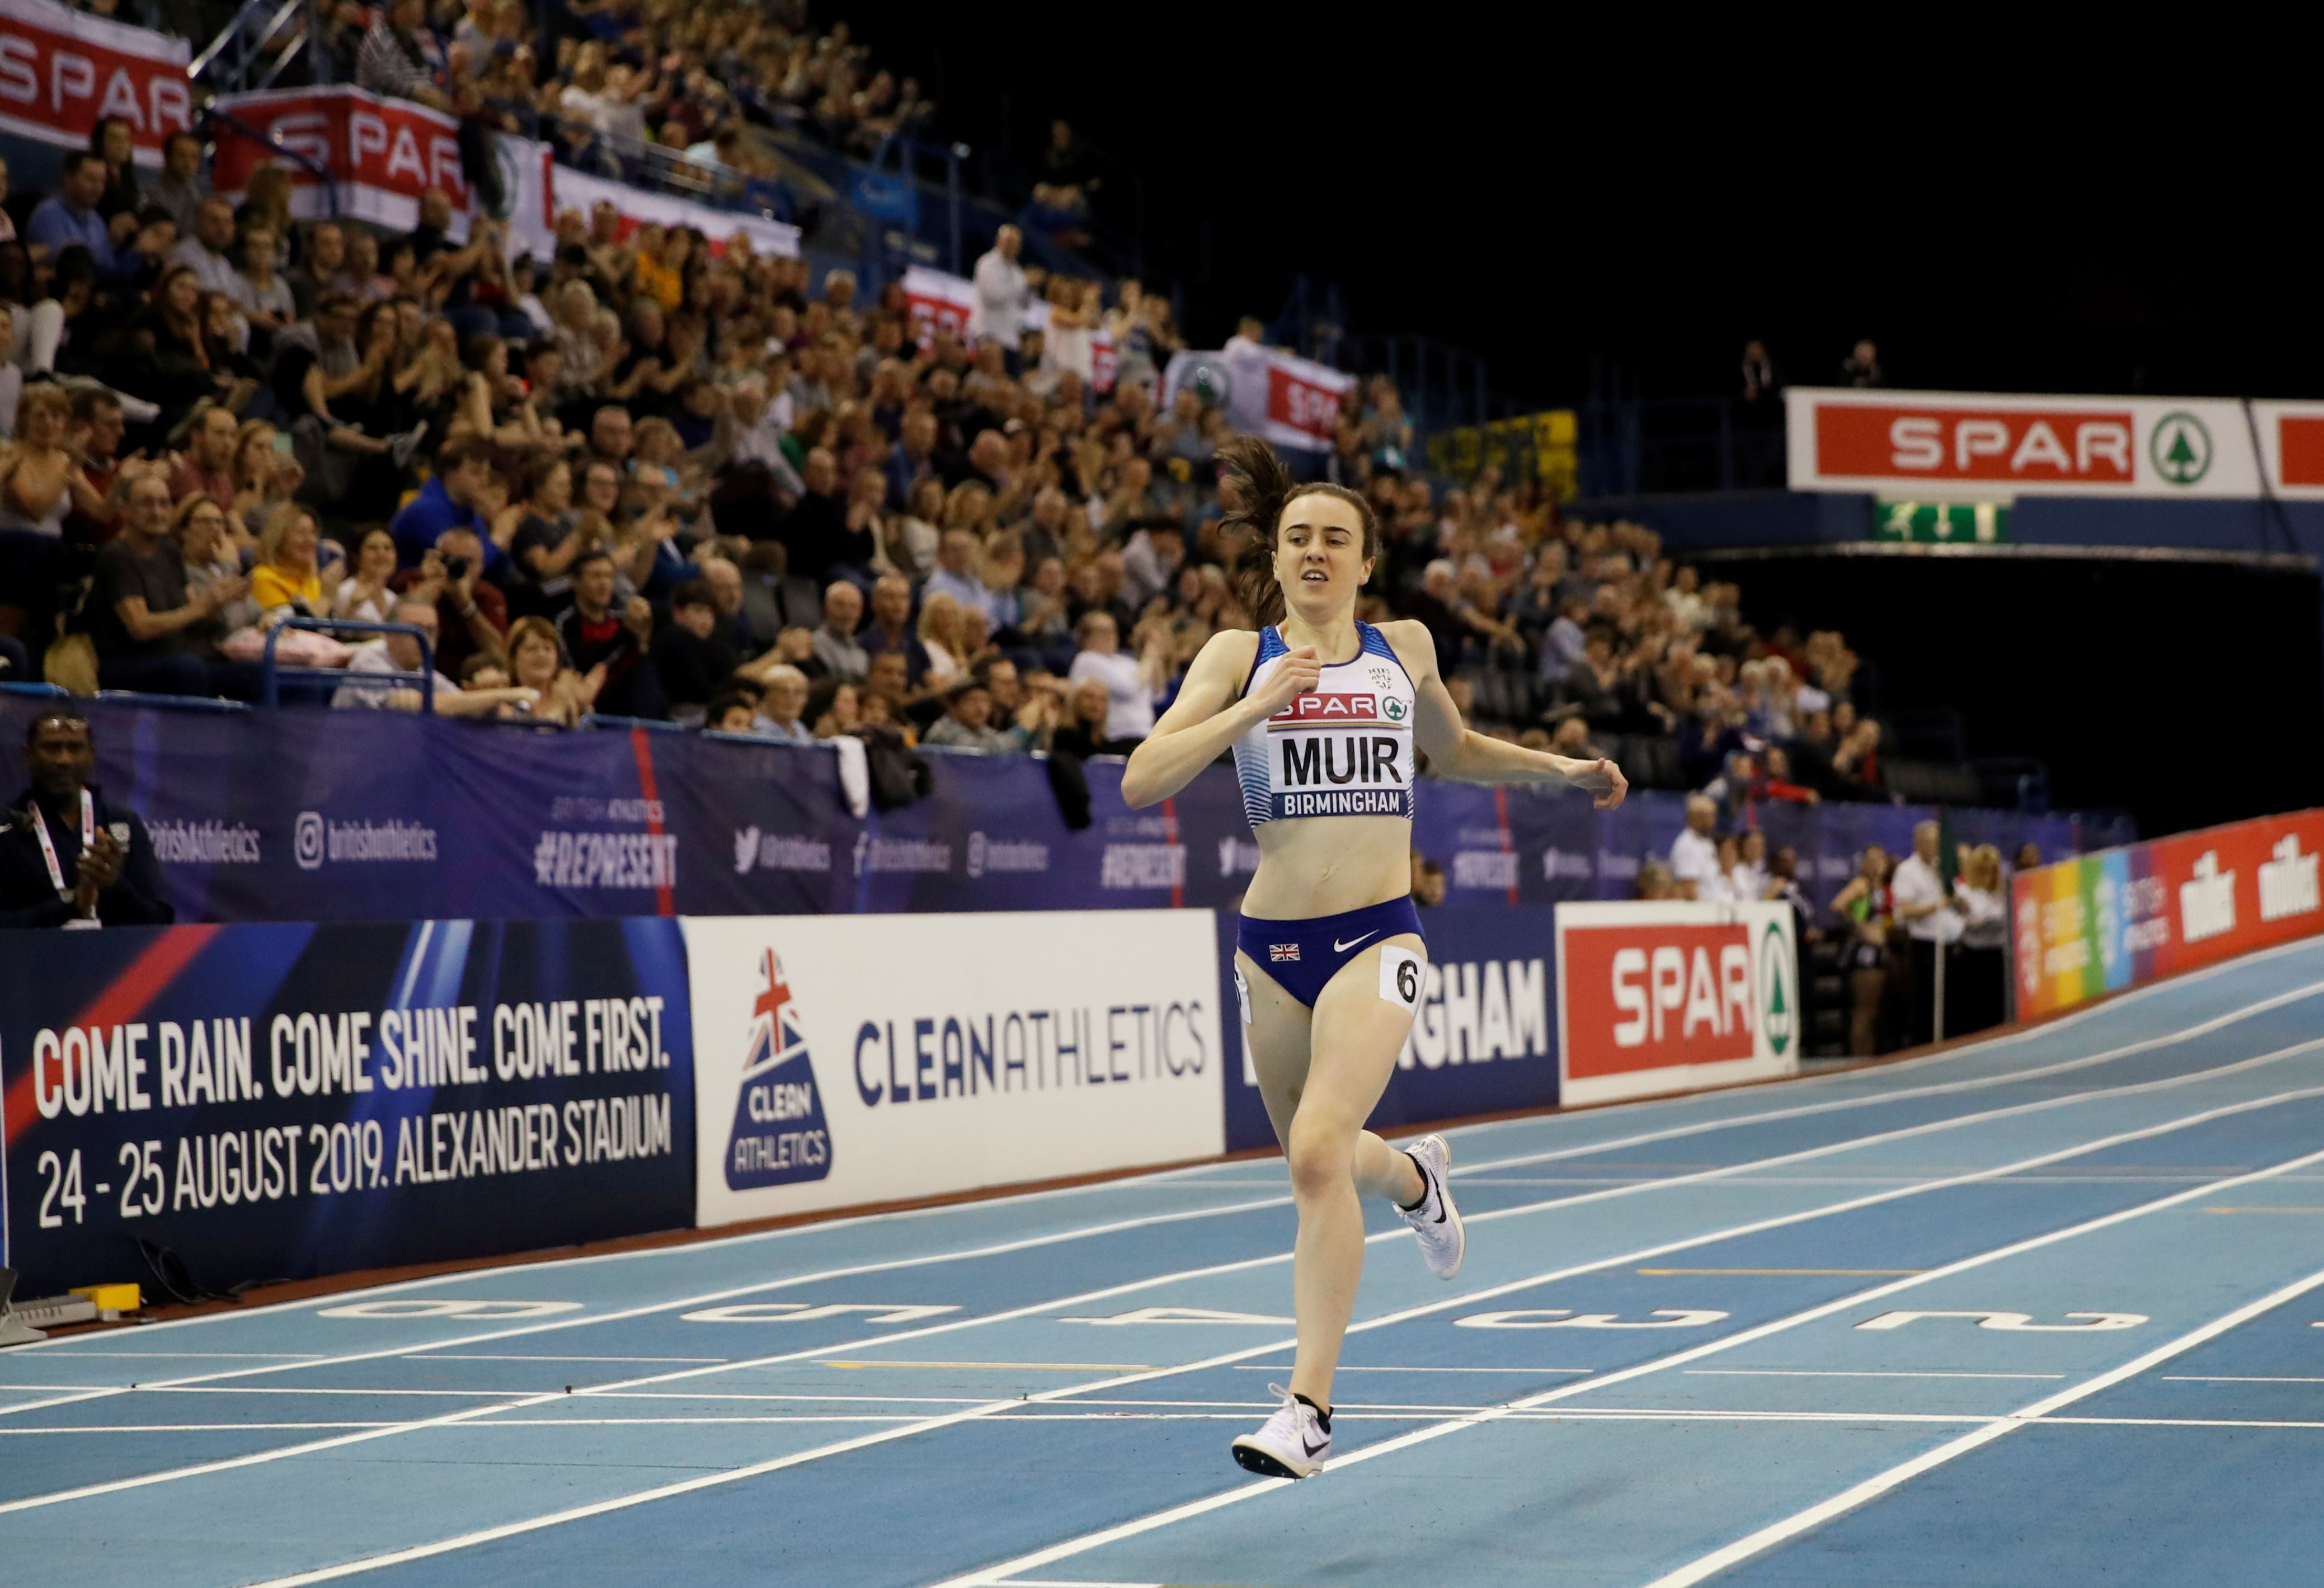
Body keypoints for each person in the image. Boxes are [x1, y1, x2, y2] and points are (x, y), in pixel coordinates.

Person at [1118, 436, 1625, 1480]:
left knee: (1313, 1149)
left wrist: (1561, 770)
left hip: (1375, 934)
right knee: (1325, 1155)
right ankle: (1414, 1176)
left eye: (1332, 538)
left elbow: (1456, 750)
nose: (1313, 551)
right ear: (1276, 552)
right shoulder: (1233, 654)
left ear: (1362, 560)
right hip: (1268, 947)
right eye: (1296, 535)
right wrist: (1254, 705)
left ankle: (1307, 1408)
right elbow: (1140, 778)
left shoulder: (1404, 647)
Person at [1, 708, 173, 929]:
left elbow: (161, 921)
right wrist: (70, 905)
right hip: (32, 961)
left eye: (75, 748)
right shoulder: (6, 829)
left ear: (92, 756)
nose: (64, 760)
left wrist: (114, 886)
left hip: (117, 961)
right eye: (52, 748)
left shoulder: (122, 824)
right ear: (28, 756)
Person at [1892, 818, 1960, 1046]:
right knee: (1926, 1002)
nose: (1935, 847)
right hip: (1926, 946)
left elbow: (1954, 899)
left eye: (1938, 842)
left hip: (1951, 944)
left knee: (1951, 1002)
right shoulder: (1907, 871)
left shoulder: (1944, 868)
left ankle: (1950, 1044)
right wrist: (1936, 906)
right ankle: (1923, 1047)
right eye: (1931, 842)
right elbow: (1906, 910)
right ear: (1919, 843)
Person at [1830, 845, 1895, 1057]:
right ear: (1864, 864)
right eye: (1872, 860)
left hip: (1879, 951)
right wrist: (1859, 927)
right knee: (1864, 1012)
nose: (1877, 865)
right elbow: (1838, 905)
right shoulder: (1861, 884)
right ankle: (1859, 1057)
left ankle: (1868, 1053)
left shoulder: (1880, 887)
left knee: (1873, 1011)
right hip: (1865, 952)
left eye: (1880, 860)